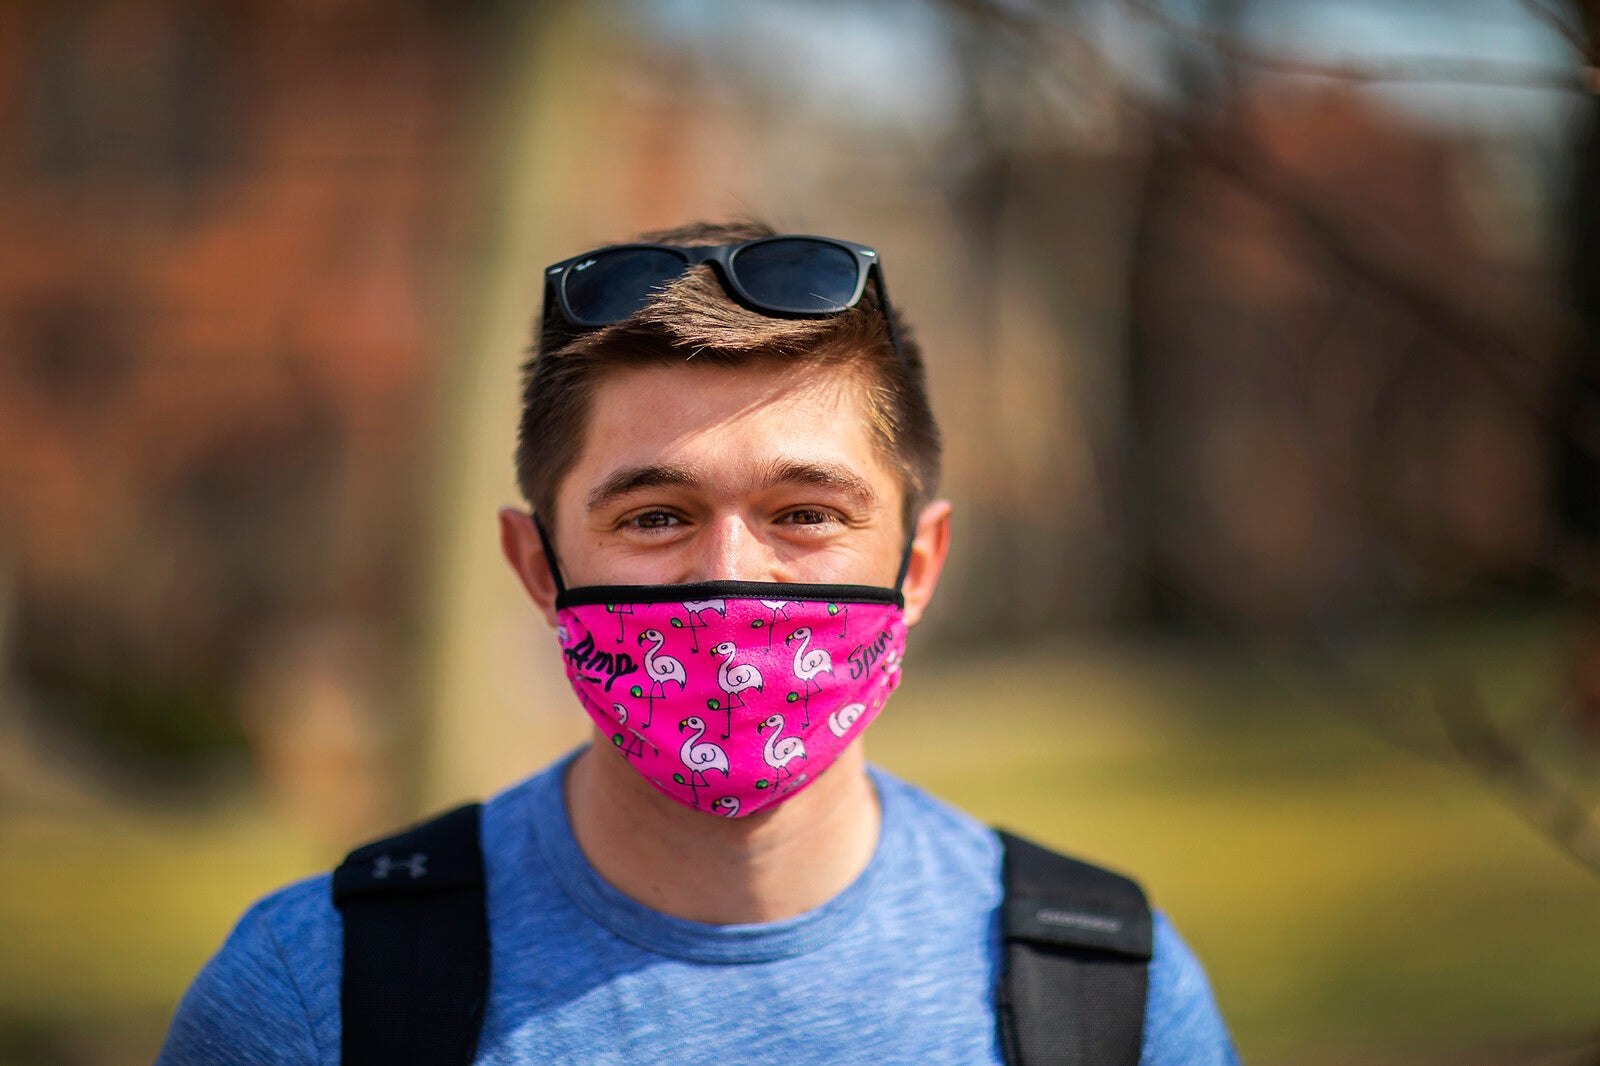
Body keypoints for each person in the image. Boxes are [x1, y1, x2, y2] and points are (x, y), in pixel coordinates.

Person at [158, 219, 1239, 1064]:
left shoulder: (1106, 990)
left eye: (805, 513)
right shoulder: (317, 990)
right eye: (654, 516)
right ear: (539, 567)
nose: (729, 577)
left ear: (918, 566)